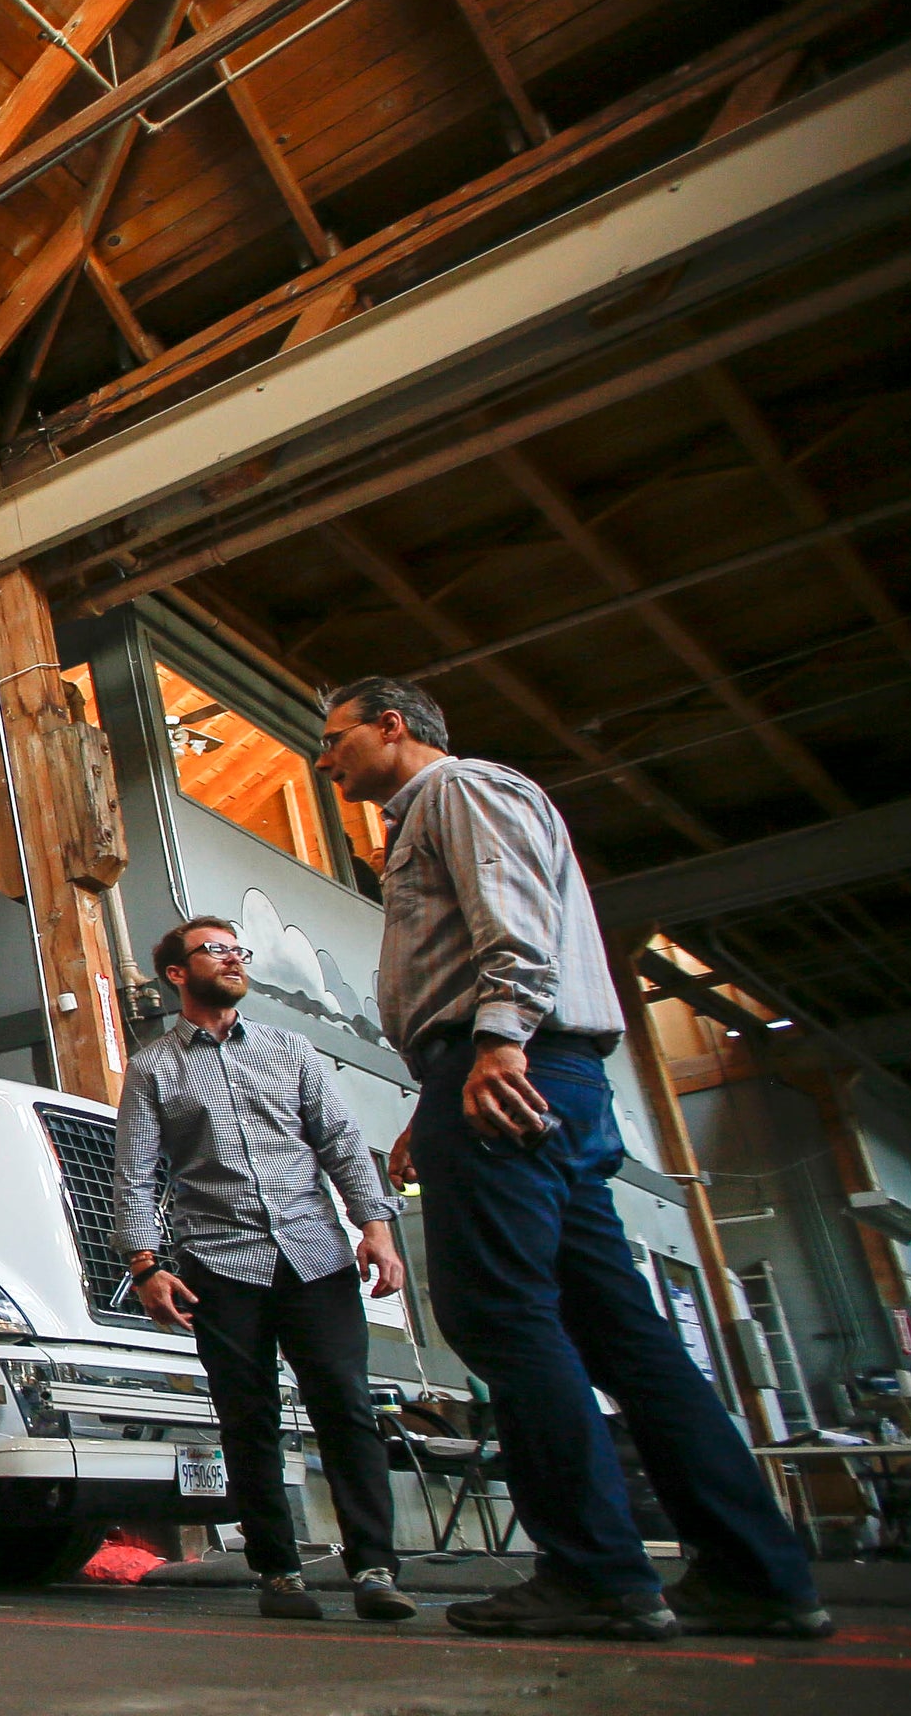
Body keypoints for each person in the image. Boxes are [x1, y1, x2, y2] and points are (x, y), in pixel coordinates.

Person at [314, 676, 828, 1642]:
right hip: (534, 1073)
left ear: (393, 727)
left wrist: (495, 1043)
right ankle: (760, 1574)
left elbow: (513, 925)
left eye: (335, 738)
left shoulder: (457, 791)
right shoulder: (454, 804)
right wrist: (443, 1092)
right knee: (619, 1329)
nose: (324, 757)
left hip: (513, 1061)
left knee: (497, 1309)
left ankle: (596, 1573)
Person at [116, 915, 417, 1623]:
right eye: (215, 951)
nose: (233, 960)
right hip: (220, 1266)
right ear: (178, 973)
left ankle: (375, 1567)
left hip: (315, 1257)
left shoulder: (291, 1050)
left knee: (346, 1409)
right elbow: (134, 1173)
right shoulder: (155, 1066)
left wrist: (375, 1227)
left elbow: (341, 1142)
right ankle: (279, 1574)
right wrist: (144, 1264)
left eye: (237, 950)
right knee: (248, 1421)